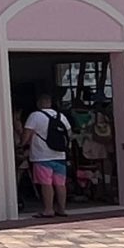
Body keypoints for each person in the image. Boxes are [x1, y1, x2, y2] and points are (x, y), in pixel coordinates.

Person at [24, 90, 73, 219]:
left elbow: (27, 135)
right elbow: (69, 134)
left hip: (42, 155)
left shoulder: (34, 116)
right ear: (50, 103)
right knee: (60, 184)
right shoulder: (60, 116)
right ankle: (62, 209)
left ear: (39, 103)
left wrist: (21, 145)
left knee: (46, 183)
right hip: (60, 155)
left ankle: (48, 210)